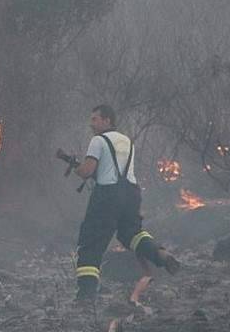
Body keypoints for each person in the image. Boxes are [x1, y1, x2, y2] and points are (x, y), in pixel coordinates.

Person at [57, 104, 180, 302]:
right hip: (131, 194)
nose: (92, 124)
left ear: (108, 121)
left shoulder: (98, 141)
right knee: (131, 234)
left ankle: (85, 297)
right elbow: (112, 169)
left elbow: (87, 171)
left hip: (107, 195)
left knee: (91, 243)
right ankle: (161, 256)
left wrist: (75, 168)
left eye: (95, 119)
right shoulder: (127, 141)